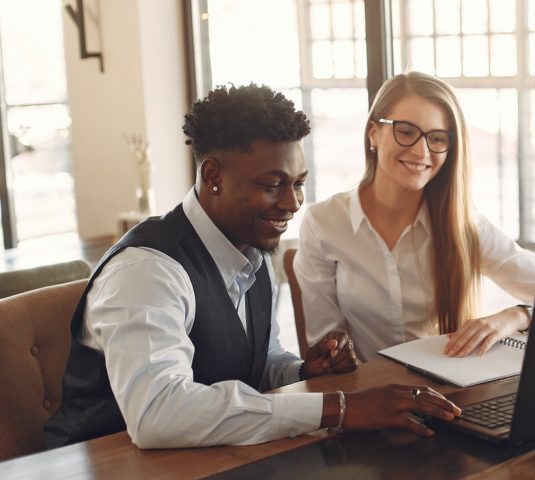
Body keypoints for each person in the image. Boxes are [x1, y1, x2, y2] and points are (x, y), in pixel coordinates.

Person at [44, 84, 460, 449]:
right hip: (102, 465)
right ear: (213, 176)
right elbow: (158, 413)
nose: (293, 203)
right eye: (272, 184)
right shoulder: (147, 272)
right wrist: (340, 407)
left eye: (298, 183)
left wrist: (299, 370)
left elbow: (255, 362)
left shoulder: (250, 249)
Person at [295, 72, 535, 363]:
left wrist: (517, 315)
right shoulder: (323, 223)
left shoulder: (464, 226)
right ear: (374, 133)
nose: (420, 151)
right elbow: (325, 347)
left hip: (449, 394)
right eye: (405, 131)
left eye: (437, 138)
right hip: (368, 398)